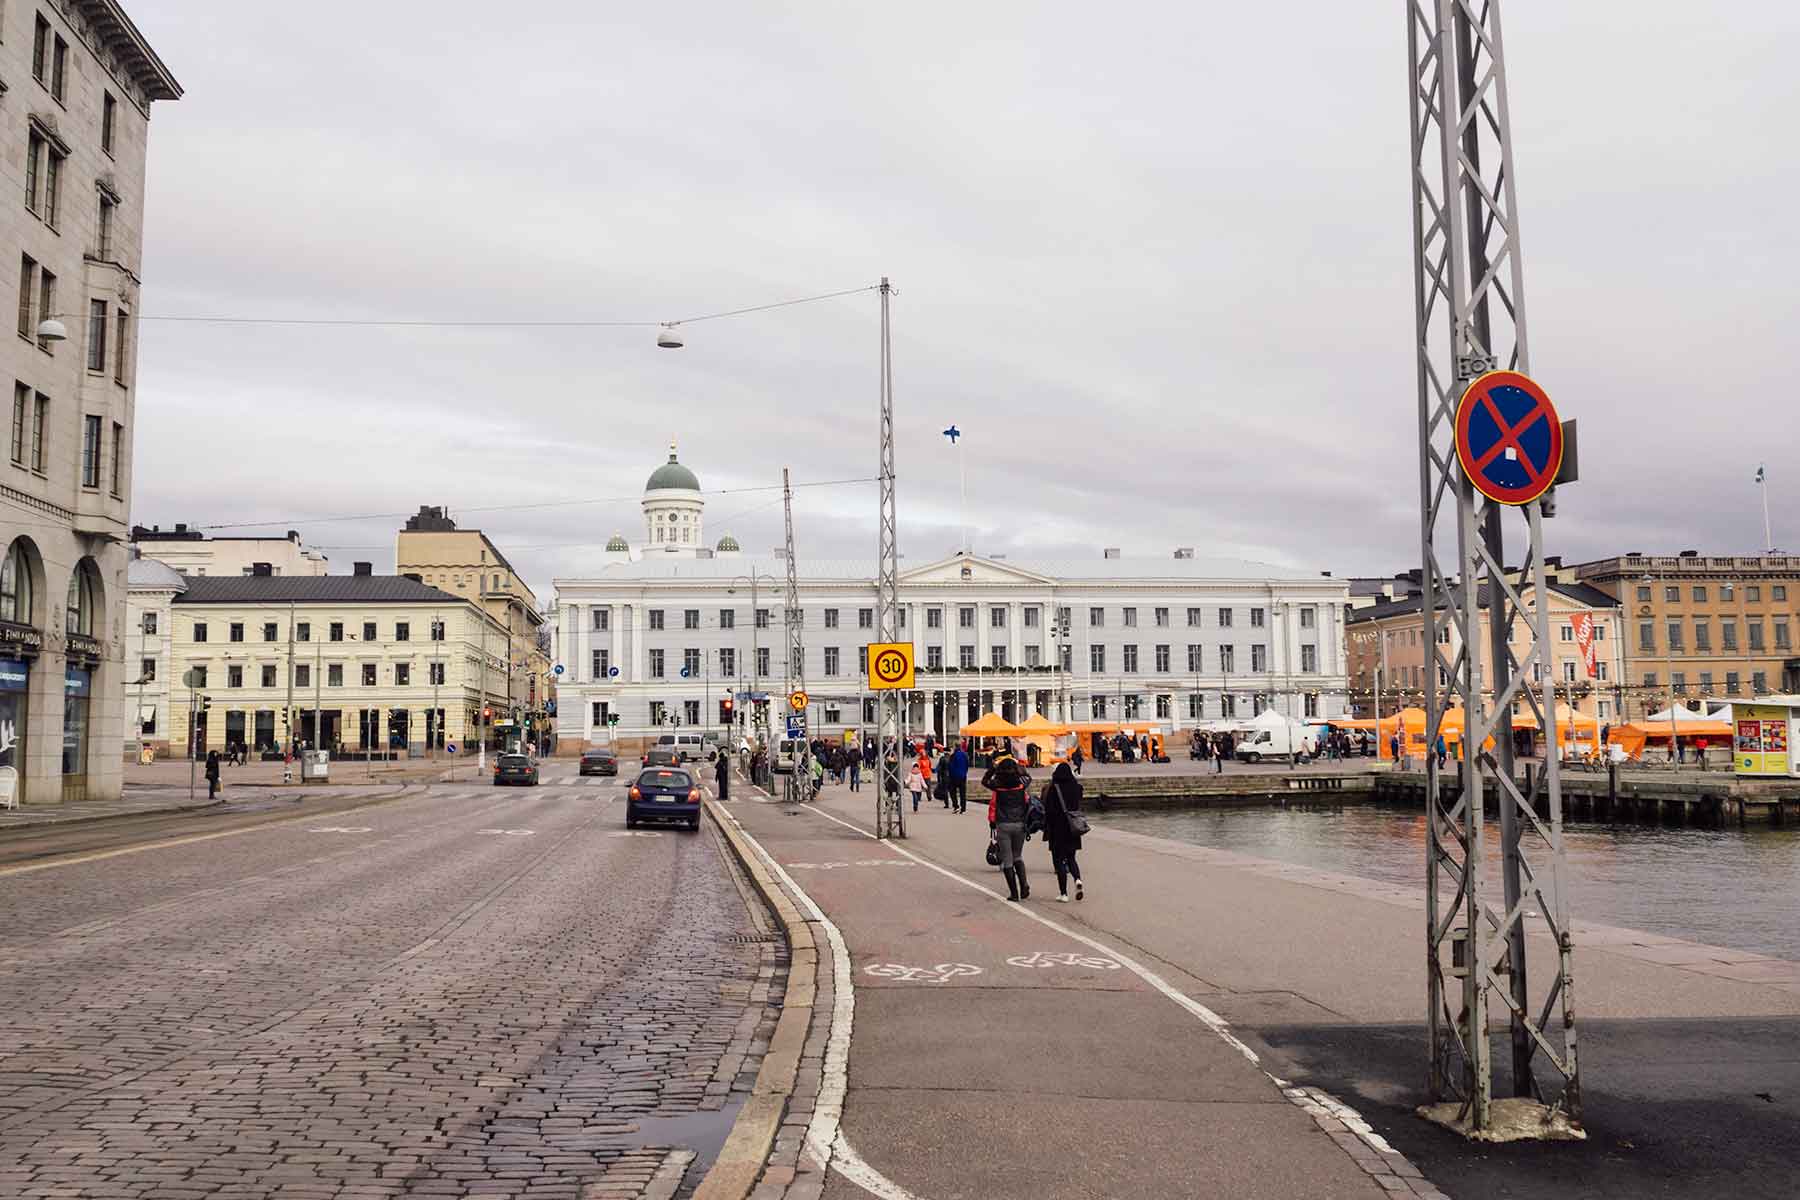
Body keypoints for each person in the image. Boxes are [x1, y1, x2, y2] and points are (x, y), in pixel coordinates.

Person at [984, 752, 1033, 901]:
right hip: (1019, 823)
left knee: (1007, 859)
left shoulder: (997, 786)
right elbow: (1028, 776)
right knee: (1018, 855)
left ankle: (1014, 893)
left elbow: (985, 780)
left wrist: (994, 768)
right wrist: (1018, 766)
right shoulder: (1021, 784)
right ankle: (1024, 885)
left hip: (1003, 824)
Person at [1042, 761, 1086, 902]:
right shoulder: (1076, 787)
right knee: (1071, 858)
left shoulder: (1054, 788)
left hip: (1057, 829)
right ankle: (1077, 879)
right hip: (1073, 828)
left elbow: (1048, 809)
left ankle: (1064, 894)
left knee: (1059, 860)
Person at [948, 739, 970, 813]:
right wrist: (965, 772)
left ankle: (956, 806)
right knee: (962, 793)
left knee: (952, 791)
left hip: (954, 776)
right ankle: (963, 808)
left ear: (954, 746)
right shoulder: (964, 754)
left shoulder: (953, 755)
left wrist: (950, 775)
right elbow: (967, 765)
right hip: (963, 776)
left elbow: (950, 766)